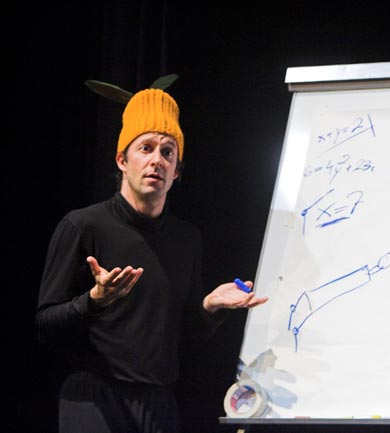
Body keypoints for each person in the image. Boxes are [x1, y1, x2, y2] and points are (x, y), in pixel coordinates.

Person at [35, 77, 268, 433]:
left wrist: (209, 308)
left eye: (167, 152)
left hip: (158, 405)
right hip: (93, 399)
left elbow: (182, 340)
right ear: (122, 160)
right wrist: (94, 301)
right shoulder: (83, 226)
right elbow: (45, 326)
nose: (157, 160)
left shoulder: (186, 238)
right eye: (145, 148)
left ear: (177, 172)